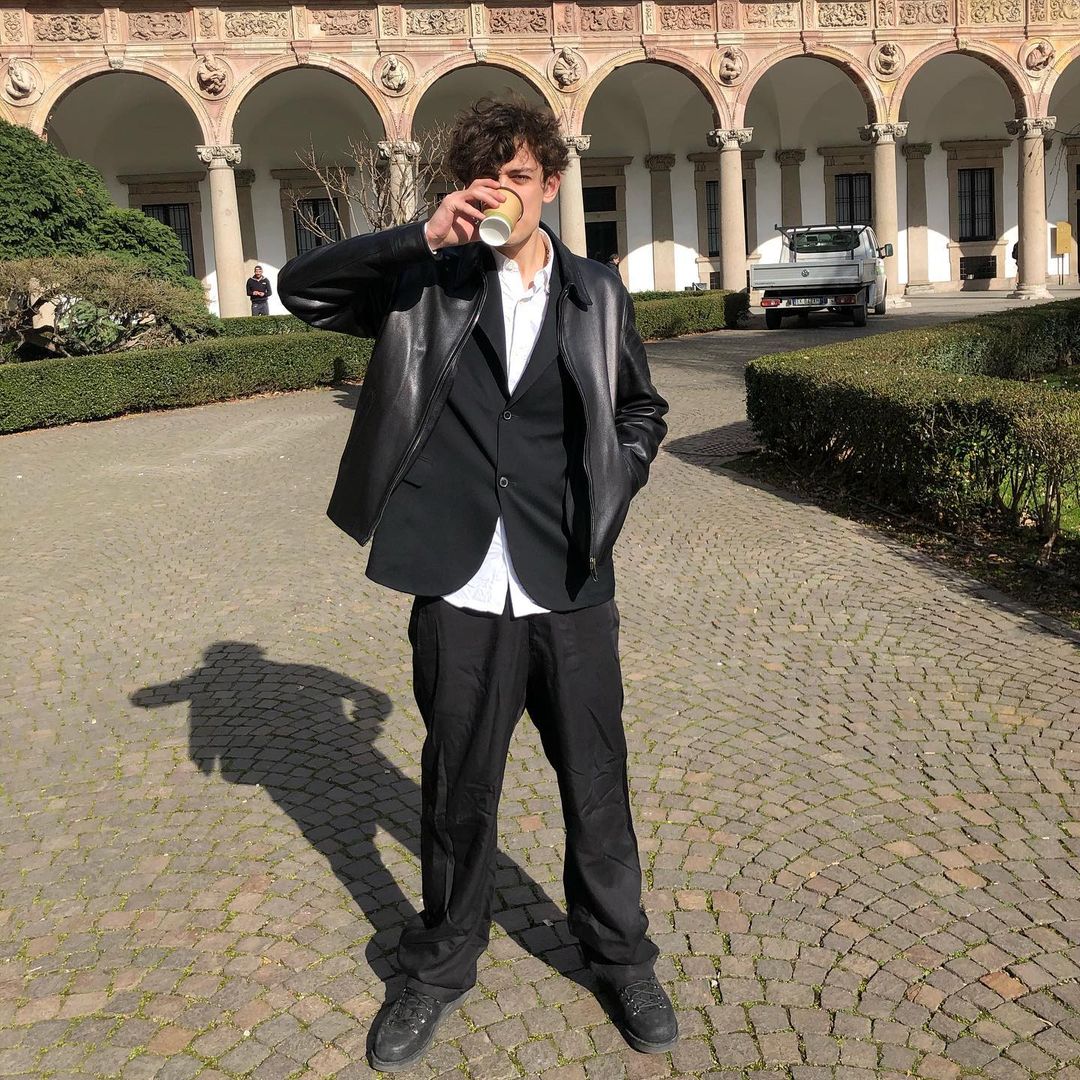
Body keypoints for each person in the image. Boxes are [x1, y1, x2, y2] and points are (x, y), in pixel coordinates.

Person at [278, 98, 674, 1073]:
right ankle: (441, 965)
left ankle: (621, 956)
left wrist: (614, 483)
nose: (504, 194)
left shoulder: (597, 292)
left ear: (551, 184)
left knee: (596, 783)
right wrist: (421, 235)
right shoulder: (428, 281)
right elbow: (301, 290)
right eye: (485, 179)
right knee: (458, 787)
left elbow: (641, 407)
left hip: (568, 576)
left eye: (520, 177)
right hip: (457, 577)